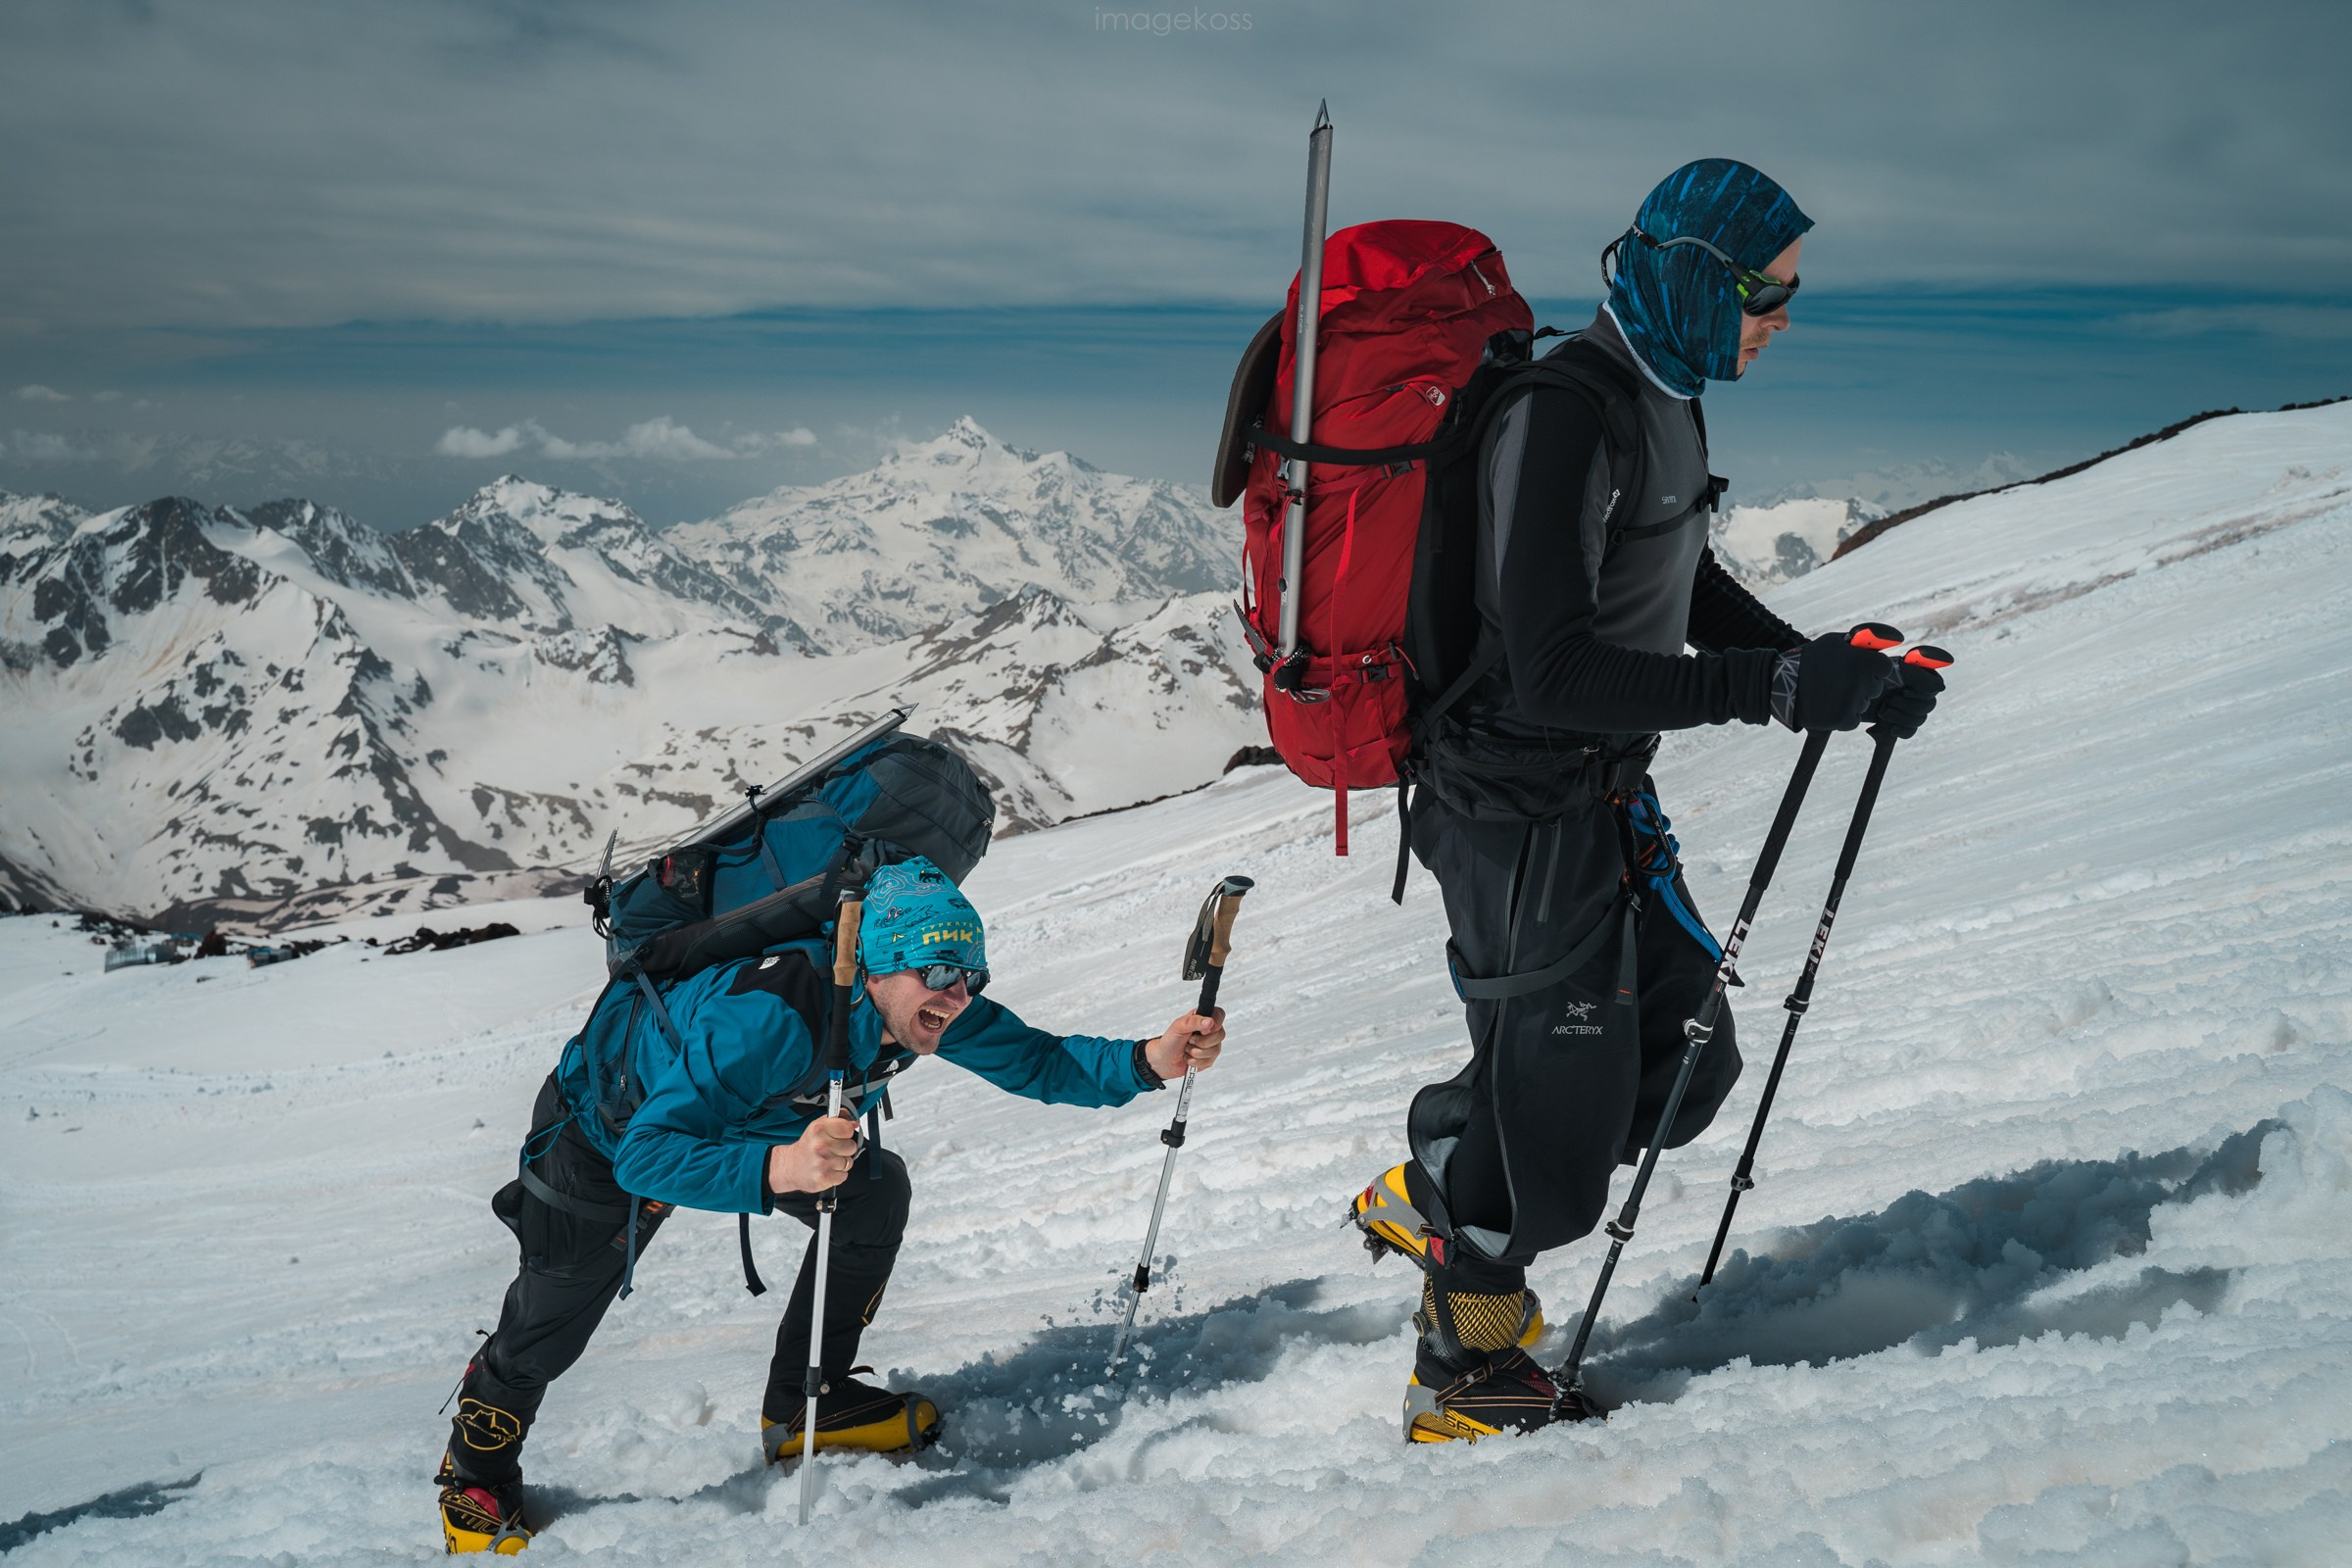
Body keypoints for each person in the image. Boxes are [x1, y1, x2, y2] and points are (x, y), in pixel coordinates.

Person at [1348, 159, 1943, 1443]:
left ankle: (1441, 1179)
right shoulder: (1567, 411)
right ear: (1693, 278)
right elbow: (1555, 666)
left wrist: (1824, 669)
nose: (1785, 318)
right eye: (1767, 293)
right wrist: (1780, 687)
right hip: (1514, 810)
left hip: (1601, 796)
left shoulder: (1666, 401)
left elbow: (1675, 575)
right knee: (1558, 1131)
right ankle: (1467, 1370)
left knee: (1689, 1067)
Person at [434, 858, 1228, 1552]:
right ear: (878, 966)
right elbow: (647, 1154)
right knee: (548, 1325)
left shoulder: (917, 1001)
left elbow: (1040, 1063)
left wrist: (1149, 1061)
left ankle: (805, 1406)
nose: (957, 996)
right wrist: (780, 1165)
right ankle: (475, 1471)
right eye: (939, 975)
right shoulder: (771, 1018)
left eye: (968, 975)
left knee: (874, 1194)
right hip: (603, 1142)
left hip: (756, 1128)